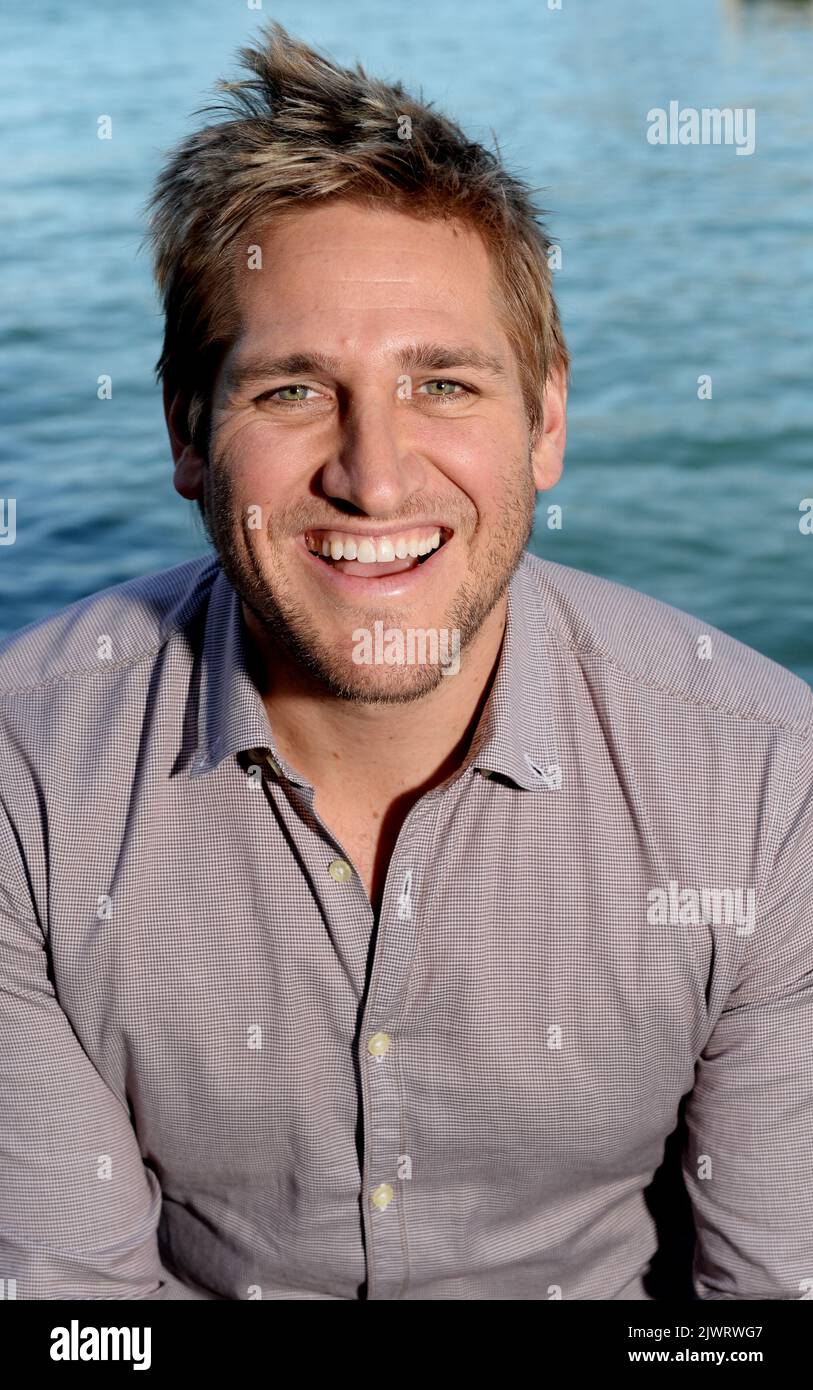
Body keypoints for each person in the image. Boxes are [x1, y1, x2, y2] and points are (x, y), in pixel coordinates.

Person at [1, 21, 811, 1301]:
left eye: (442, 384)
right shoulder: (26, 781)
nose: (374, 478)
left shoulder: (765, 784)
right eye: (290, 391)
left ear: (546, 421)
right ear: (186, 434)